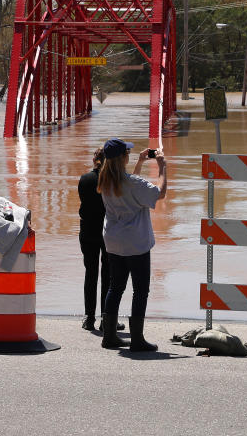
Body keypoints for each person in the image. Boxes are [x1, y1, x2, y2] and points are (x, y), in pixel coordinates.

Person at [97, 138, 168, 351]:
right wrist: (163, 167)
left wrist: (140, 163)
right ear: (122, 158)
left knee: (115, 286)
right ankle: (137, 339)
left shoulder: (104, 180)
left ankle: (109, 336)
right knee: (140, 291)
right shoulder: (132, 184)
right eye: (127, 153)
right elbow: (159, 193)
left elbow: (128, 184)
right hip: (135, 243)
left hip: (114, 241)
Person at [76, 149, 124, 333]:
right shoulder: (113, 181)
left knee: (91, 273)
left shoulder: (84, 179)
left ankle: (89, 318)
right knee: (108, 275)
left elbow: (83, 202)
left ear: (94, 160)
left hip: (87, 230)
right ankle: (107, 319)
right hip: (107, 231)